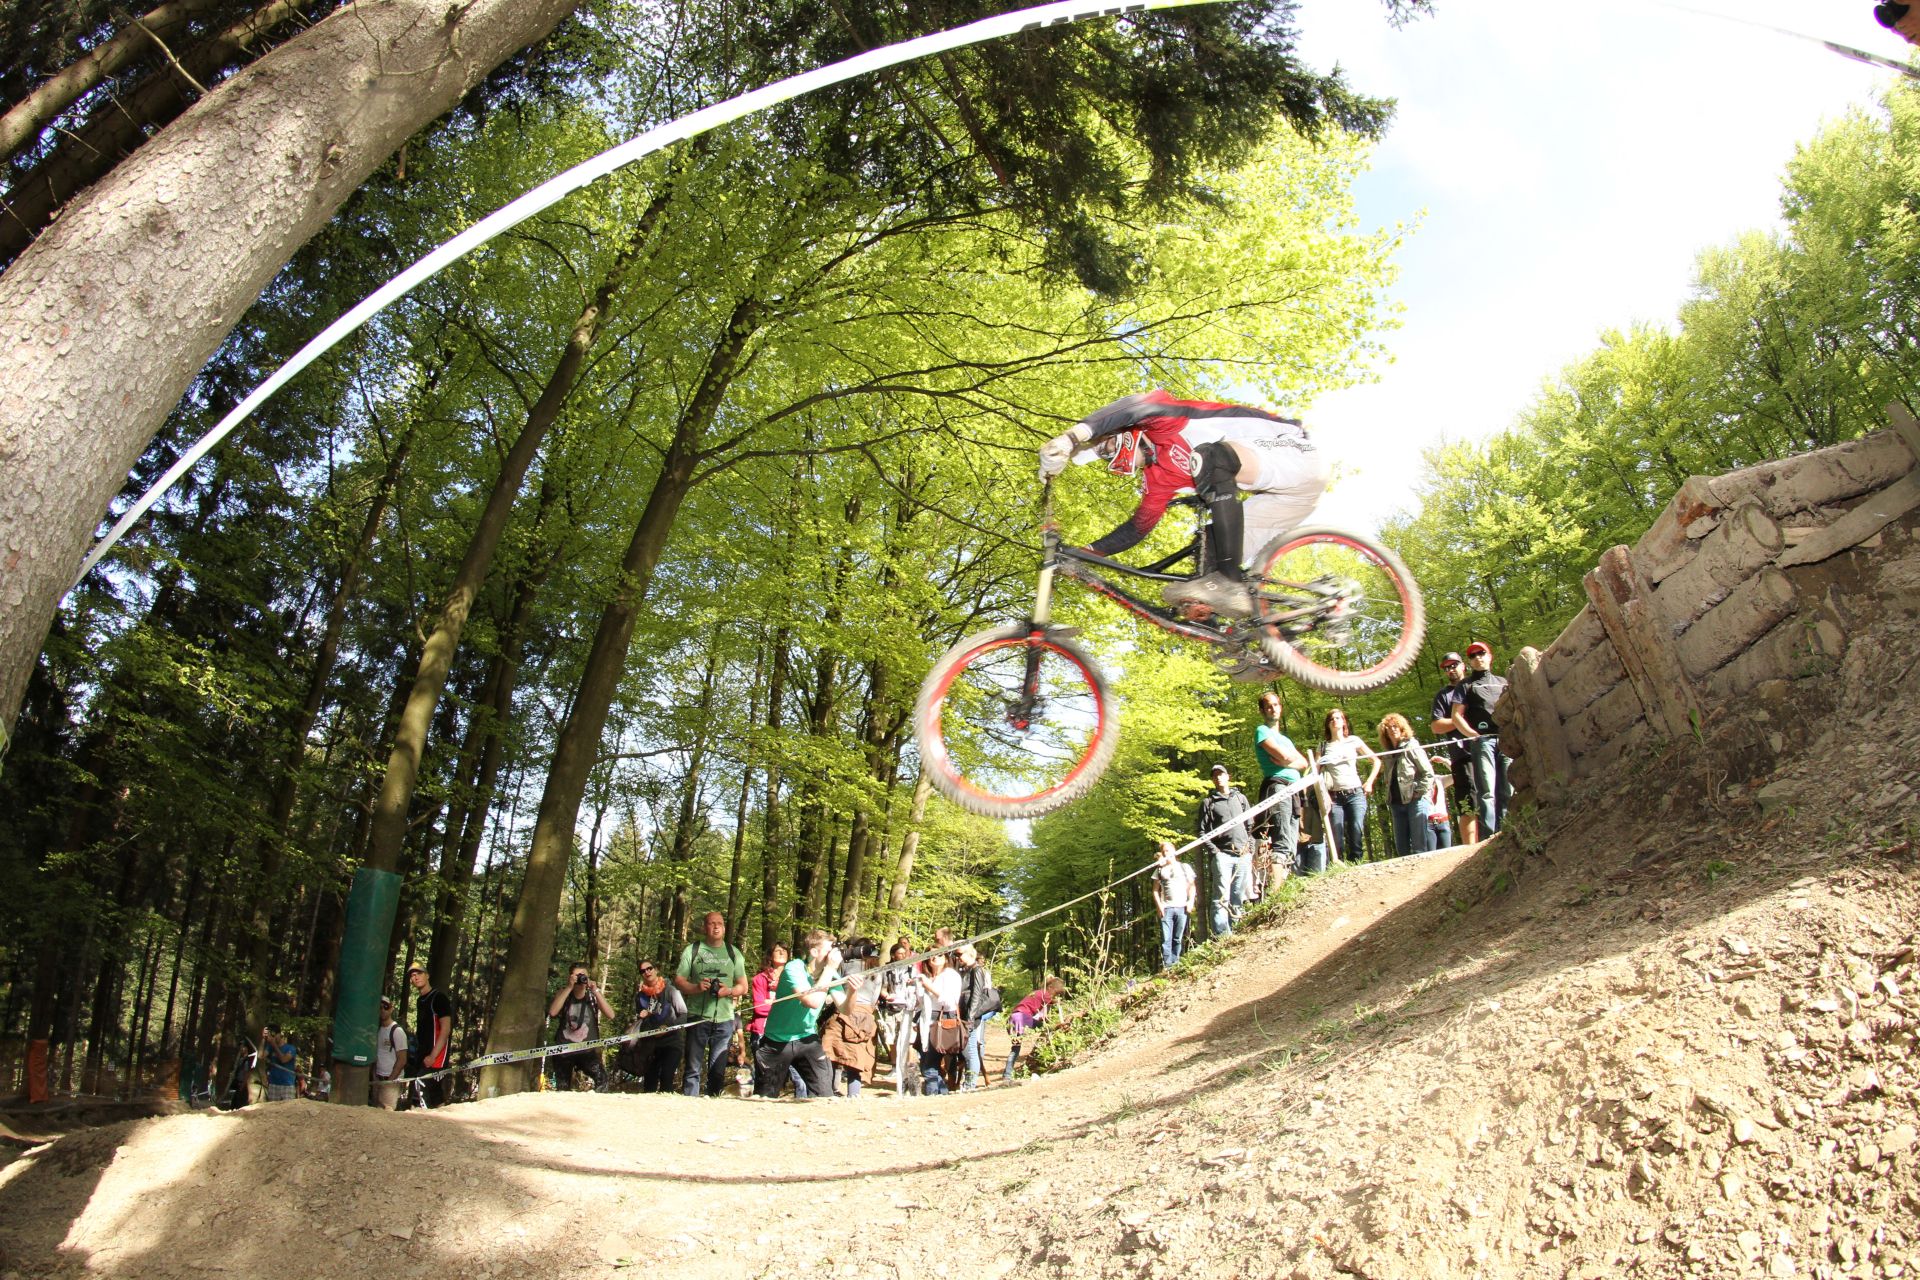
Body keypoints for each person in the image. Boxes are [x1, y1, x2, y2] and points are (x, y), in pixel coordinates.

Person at [1036, 389, 1331, 617]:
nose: (1111, 458)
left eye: (1110, 447)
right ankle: (1258, 644)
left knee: (1208, 457)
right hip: (1283, 498)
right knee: (1208, 564)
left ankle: (1228, 583)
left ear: (1126, 433)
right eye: (1105, 456)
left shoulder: (1165, 422)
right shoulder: (1159, 477)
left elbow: (1136, 406)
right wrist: (1084, 553)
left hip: (1296, 455)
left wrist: (1072, 438)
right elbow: (1138, 528)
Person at [753, 930, 841, 1099]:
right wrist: (829, 969)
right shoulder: (795, 967)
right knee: (765, 1098)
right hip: (777, 1041)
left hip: (807, 1038)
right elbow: (811, 1001)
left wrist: (852, 990)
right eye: (829, 951)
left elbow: (845, 1009)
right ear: (814, 952)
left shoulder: (831, 973)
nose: (833, 956)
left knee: (825, 1095)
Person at [673, 911, 749, 1098]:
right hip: (698, 1016)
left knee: (718, 1068)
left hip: (724, 1018)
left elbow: (744, 986)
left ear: (724, 928)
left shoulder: (734, 953)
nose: (716, 927)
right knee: (693, 1066)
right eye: (711, 923)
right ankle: (690, 1100)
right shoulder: (693, 950)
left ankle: (714, 1101)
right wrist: (697, 987)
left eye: (720, 923)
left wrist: (729, 991)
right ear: (704, 927)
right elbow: (679, 981)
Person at [1450, 641, 1512, 836]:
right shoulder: (1465, 685)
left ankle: (1507, 830)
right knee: (1486, 791)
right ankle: (1489, 836)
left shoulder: (1503, 682)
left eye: (1481, 653)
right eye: (1473, 655)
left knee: (1507, 789)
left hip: (1507, 739)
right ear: (1469, 662)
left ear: (1489, 656)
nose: (1478, 657)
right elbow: (1456, 715)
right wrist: (1471, 734)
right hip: (1483, 742)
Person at [1253, 689, 1308, 882]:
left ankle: (1283, 883)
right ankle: (1277, 889)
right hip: (1278, 786)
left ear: (1280, 708)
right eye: (1268, 706)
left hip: (1294, 790)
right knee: (1282, 839)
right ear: (1262, 710)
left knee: (1292, 839)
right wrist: (1287, 759)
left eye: (1275, 705)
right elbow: (1283, 756)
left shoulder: (1286, 740)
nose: (1272, 709)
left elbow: (1303, 763)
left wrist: (1286, 761)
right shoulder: (1262, 731)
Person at [1196, 763, 1254, 935]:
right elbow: (1202, 831)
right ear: (1212, 780)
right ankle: (1222, 935)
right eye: (1215, 775)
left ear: (1228, 776)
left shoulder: (1240, 798)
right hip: (1223, 855)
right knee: (1221, 896)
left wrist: (1249, 847)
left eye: (1221, 774)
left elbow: (1250, 825)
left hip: (1243, 854)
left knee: (1238, 894)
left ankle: (1237, 931)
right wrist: (1215, 852)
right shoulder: (1208, 803)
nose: (1219, 777)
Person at [1429, 652, 1478, 845]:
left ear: (1463, 665)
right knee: (1467, 803)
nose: (1451, 670)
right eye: (1447, 667)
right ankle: (1470, 851)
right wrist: (1460, 721)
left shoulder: (1476, 685)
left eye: (1454, 665)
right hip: (1462, 755)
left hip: (1490, 749)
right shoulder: (1443, 695)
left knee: (1494, 795)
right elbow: (1436, 725)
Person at [1320, 707, 1379, 862]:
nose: (1335, 721)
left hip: (1355, 793)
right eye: (1331, 719)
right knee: (1336, 837)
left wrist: (1369, 782)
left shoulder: (1354, 741)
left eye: (1338, 718)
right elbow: (1314, 773)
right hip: (1334, 797)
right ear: (1328, 724)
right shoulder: (1323, 746)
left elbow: (1376, 761)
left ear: (1344, 721)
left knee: (1356, 832)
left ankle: (1357, 866)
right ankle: (1338, 869)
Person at [1376, 713, 1439, 857]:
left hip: (1415, 801)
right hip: (1396, 802)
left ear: (1402, 727)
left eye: (1395, 726)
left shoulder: (1412, 745)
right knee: (1402, 849)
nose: (1393, 729)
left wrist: (1419, 792)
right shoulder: (1387, 753)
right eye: (1389, 727)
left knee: (1419, 847)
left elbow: (1428, 773)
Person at [546, 963, 615, 1092]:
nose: (580, 978)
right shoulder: (563, 993)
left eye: (583, 975)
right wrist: (569, 987)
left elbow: (611, 1015)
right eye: (577, 975)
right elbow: (553, 1012)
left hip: (587, 1050)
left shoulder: (593, 996)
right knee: (562, 1087)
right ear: (570, 976)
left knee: (602, 1079)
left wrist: (596, 990)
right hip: (564, 1049)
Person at [875, 942, 923, 1097]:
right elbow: (881, 987)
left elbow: (919, 985)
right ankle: (895, 1067)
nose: (902, 956)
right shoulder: (886, 969)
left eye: (904, 953)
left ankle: (911, 1069)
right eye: (899, 953)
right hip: (892, 1007)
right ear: (893, 954)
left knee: (908, 1040)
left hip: (908, 1007)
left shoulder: (912, 969)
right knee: (893, 1039)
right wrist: (886, 995)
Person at [631, 961, 687, 1093]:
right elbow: (640, 1021)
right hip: (650, 1045)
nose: (647, 972)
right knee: (649, 1080)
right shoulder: (640, 997)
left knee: (666, 1076)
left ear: (656, 970)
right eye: (643, 971)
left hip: (672, 1042)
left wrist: (667, 1027)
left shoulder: (671, 991)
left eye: (649, 968)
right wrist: (641, 1018)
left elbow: (684, 1015)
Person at [820, 972, 878, 1098]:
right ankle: (841, 1094)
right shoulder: (875, 971)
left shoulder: (875, 971)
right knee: (840, 1057)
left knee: (847, 1058)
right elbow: (875, 998)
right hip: (847, 1011)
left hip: (855, 1013)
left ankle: (842, 1094)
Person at [915, 949, 964, 1094]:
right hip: (926, 1020)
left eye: (939, 954)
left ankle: (933, 1097)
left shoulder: (950, 975)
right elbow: (919, 1002)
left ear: (945, 957)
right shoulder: (927, 976)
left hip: (942, 1021)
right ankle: (942, 1094)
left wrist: (928, 986)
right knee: (928, 1063)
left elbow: (950, 1002)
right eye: (930, 955)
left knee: (929, 1065)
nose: (935, 958)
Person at [955, 943, 1001, 1091]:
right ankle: (968, 1083)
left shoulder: (977, 970)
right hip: (965, 1013)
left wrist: (970, 1017)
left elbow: (976, 995)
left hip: (971, 1016)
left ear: (970, 954)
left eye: (959, 954)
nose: (957, 957)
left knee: (971, 1051)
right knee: (967, 1049)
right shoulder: (965, 971)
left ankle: (970, 1084)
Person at [1003, 977, 1066, 1083]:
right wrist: (1057, 1003)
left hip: (1013, 1018)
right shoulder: (1044, 994)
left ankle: (1007, 1075)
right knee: (1047, 1027)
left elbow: (1041, 1013)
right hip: (1021, 1018)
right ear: (1050, 987)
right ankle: (1007, 1076)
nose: (1053, 996)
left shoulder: (1037, 993)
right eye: (1054, 993)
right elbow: (1049, 1007)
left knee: (1015, 1048)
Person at [407, 964, 452, 1109]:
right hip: (422, 1053)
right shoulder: (420, 1001)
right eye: (412, 975)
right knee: (435, 1094)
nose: (416, 977)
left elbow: (445, 1029)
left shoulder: (438, 997)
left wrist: (433, 1055)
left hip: (437, 1055)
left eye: (419, 973)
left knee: (420, 1087)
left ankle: (421, 1122)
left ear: (427, 975)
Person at [1150, 840, 1196, 970]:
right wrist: (1159, 906)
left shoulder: (1184, 867)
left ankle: (1176, 963)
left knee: (1178, 937)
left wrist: (1190, 901)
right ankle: (1167, 965)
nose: (1166, 853)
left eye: (1168, 850)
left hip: (1182, 907)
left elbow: (1192, 886)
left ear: (1174, 851)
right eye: (1164, 851)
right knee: (1166, 939)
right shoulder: (1159, 870)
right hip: (1166, 908)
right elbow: (1155, 890)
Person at [370, 995, 408, 1109]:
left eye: (385, 1007)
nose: (382, 1010)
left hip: (391, 1081)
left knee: (387, 1113)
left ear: (391, 1009)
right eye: (380, 1007)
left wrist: (390, 1081)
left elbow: (402, 1059)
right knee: (377, 1111)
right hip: (378, 1079)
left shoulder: (397, 1031)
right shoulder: (378, 1030)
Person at [261, 1025, 296, 1102]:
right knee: (273, 1111)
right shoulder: (270, 1047)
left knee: (287, 1111)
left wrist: (274, 1045)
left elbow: (284, 1060)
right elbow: (261, 1056)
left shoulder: (291, 1048)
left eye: (274, 1034)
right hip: (273, 1084)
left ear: (280, 1034)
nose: (273, 1037)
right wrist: (263, 1039)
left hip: (287, 1085)